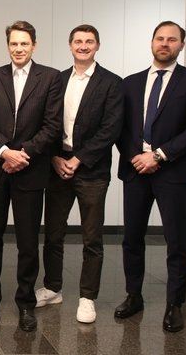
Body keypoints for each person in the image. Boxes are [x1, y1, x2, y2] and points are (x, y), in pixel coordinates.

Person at [114, 21, 186, 333]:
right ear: (151, 42)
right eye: (160, 38)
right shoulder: (130, 83)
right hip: (136, 170)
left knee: (176, 240)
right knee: (132, 238)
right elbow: (119, 127)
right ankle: (134, 295)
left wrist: (158, 155)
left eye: (172, 39)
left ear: (181, 45)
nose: (165, 44)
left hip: (174, 171)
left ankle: (174, 304)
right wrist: (136, 156)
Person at [35, 24, 123, 324]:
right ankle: (52, 288)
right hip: (58, 165)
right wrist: (54, 157)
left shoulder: (112, 83)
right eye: (78, 41)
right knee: (53, 233)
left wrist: (80, 159)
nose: (83, 46)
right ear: (70, 45)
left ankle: (87, 297)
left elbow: (111, 128)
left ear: (97, 45)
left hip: (92, 170)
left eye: (89, 41)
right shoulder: (57, 80)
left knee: (92, 238)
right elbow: (46, 123)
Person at [0, 20, 62, 332]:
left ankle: (26, 303)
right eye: (13, 43)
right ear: (8, 46)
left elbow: (52, 126)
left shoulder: (50, 77)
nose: (18, 49)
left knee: (27, 242)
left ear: (34, 46)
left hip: (30, 170)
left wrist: (22, 154)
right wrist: (5, 152)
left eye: (24, 43)